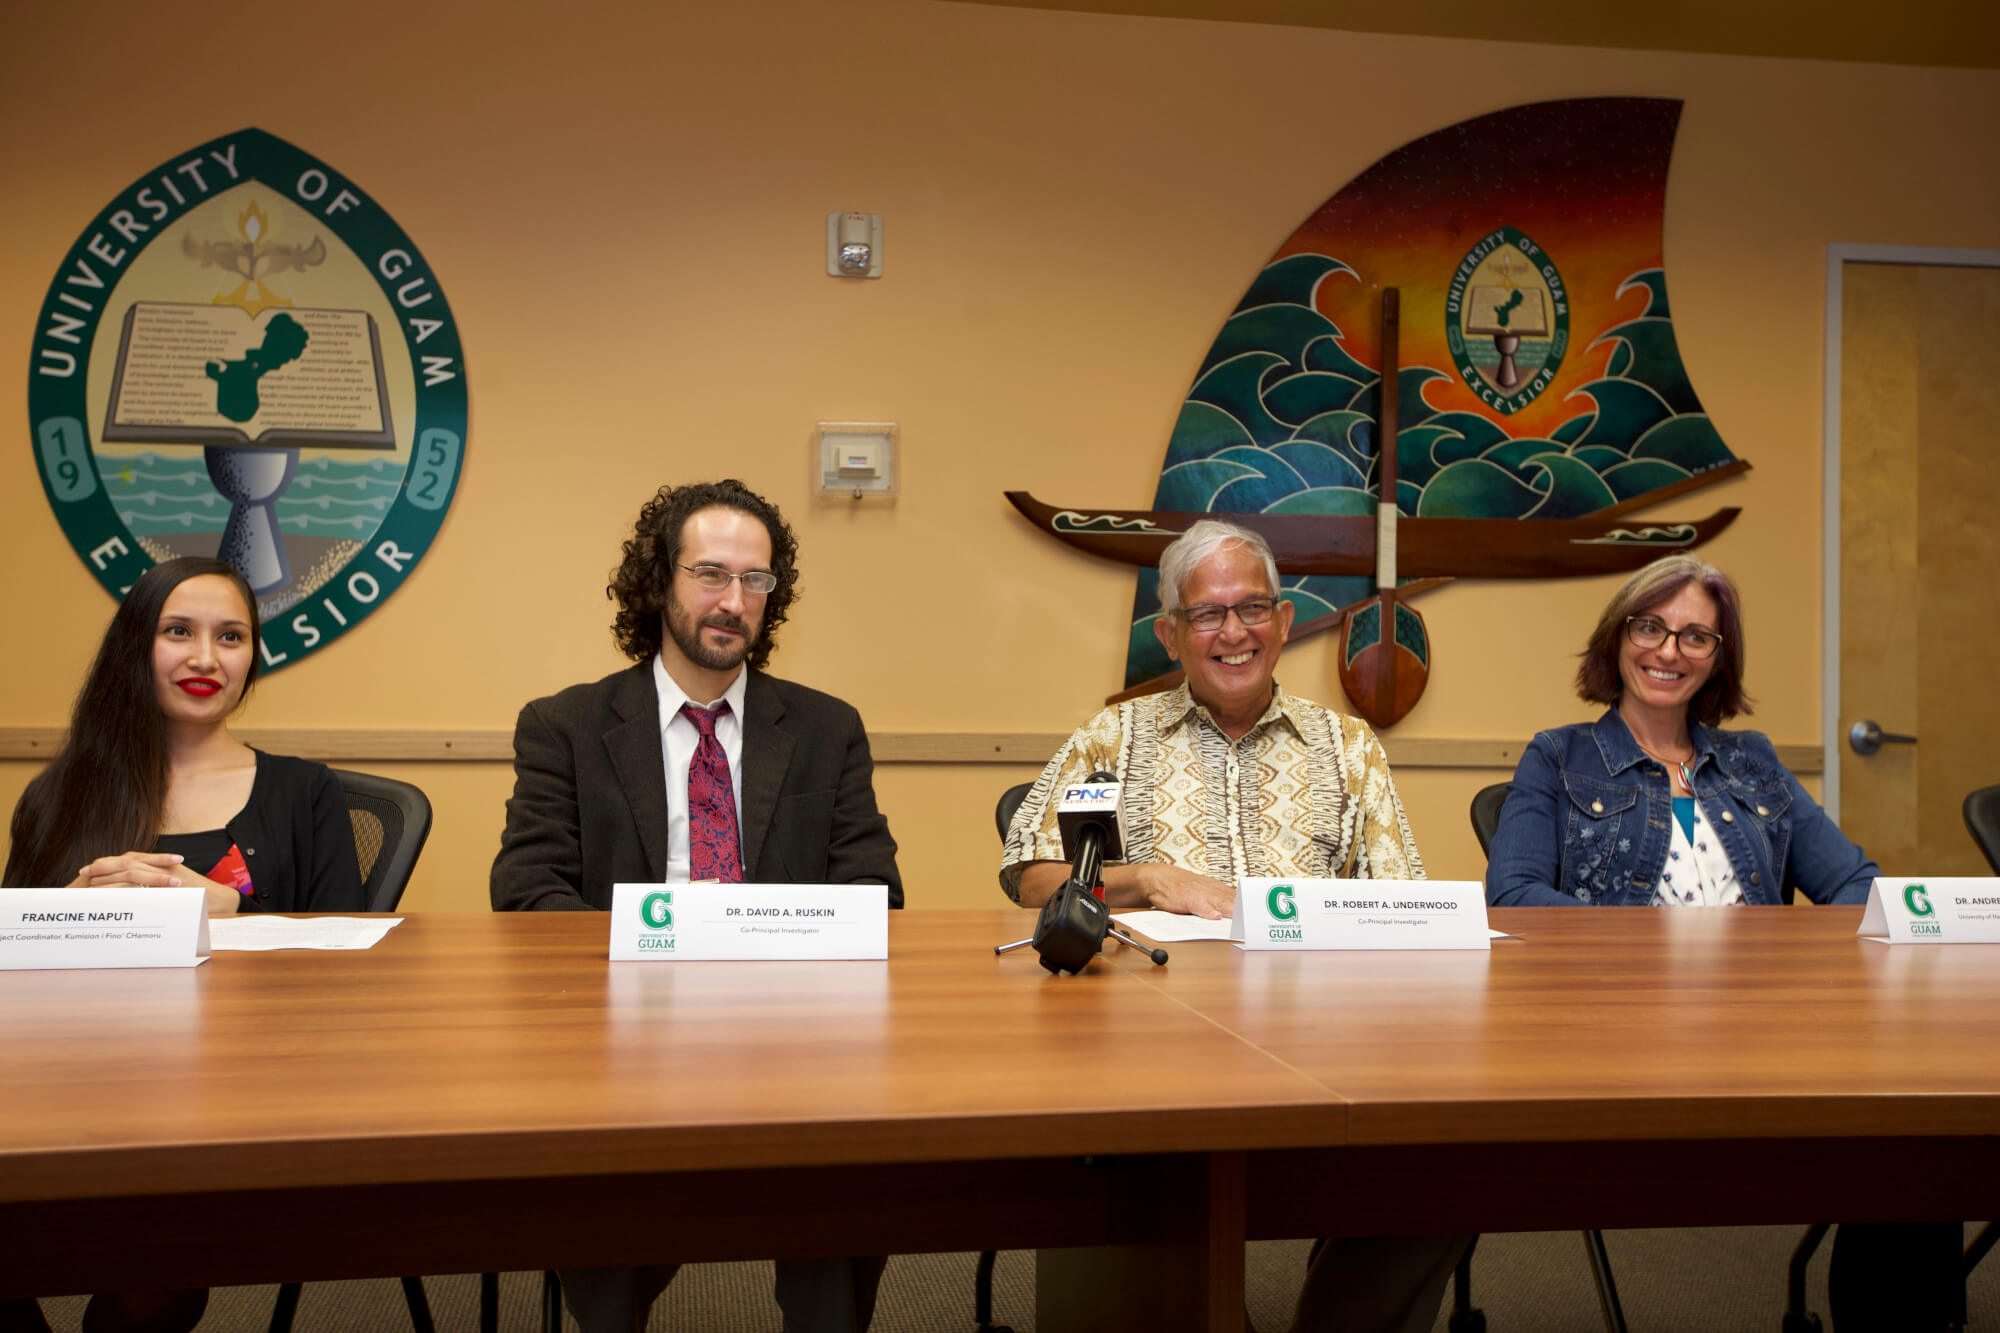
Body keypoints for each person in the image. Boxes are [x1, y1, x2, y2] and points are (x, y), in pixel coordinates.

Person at [1001, 518, 1464, 1333]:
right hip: (1153, 1044)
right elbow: (1030, 874)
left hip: (1327, 1039)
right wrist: (1145, 876)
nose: (1235, 632)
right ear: (1170, 634)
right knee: (1166, 1212)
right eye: (1208, 614)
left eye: (1253, 608)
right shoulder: (1115, 737)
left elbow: (1402, 901)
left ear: (1285, 623)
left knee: (1450, 1163)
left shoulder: (1347, 744)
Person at [1485, 553, 1961, 1330]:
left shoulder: (1753, 761)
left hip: (1773, 1029)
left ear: (1718, 658)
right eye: (1651, 627)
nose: (1668, 651)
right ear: (1618, 637)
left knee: (1922, 1131)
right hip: (1617, 1034)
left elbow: (1852, 883)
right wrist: (1669, 949)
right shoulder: (1559, 755)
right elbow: (1516, 897)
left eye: (1695, 636)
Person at [491, 478, 900, 1333]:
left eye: (756, 581)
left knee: (851, 1181)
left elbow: (874, 889)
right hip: (621, 1039)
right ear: (658, 583)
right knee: (606, 1218)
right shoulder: (565, 725)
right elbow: (528, 894)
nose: (733, 601)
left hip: (795, 1037)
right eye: (711, 573)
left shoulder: (827, 730)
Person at [0, 556, 362, 1333]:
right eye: (178, 632)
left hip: (234, 1103)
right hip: (68, 1094)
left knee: (149, 1276)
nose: (205, 657)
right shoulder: (56, 796)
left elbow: (350, 976)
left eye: (230, 636)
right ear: (137, 646)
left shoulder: (306, 792)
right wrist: (59, 910)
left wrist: (237, 908)